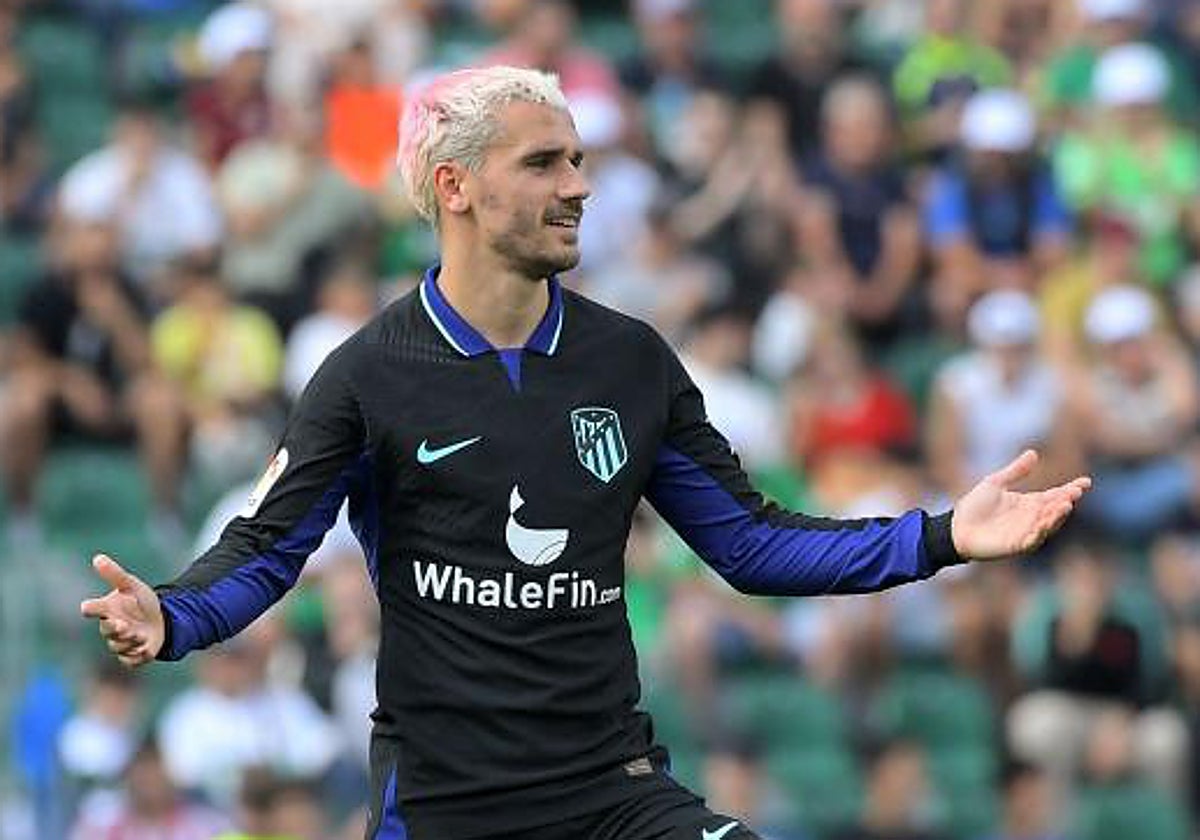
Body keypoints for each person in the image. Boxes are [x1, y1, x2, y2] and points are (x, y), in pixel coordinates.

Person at [80, 66, 1092, 840]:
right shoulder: (367, 375)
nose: (579, 185)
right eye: (544, 163)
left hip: (613, 793)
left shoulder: (630, 361)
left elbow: (751, 544)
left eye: (576, 159)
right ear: (456, 188)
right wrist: (168, 615)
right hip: (446, 802)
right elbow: (267, 549)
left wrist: (943, 535)